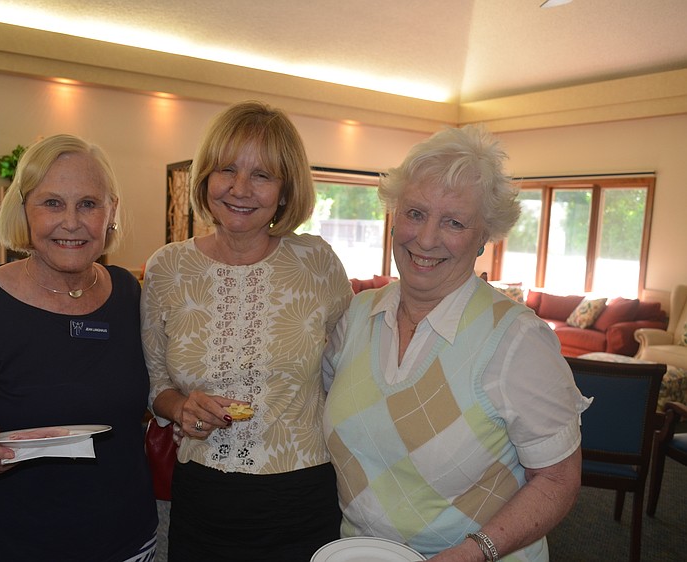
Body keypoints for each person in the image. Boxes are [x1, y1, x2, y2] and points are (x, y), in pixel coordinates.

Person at [323, 125, 590, 561]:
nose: (427, 239)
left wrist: (476, 551)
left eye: (454, 222)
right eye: (415, 213)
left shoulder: (518, 341)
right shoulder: (356, 316)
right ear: (394, 216)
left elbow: (558, 481)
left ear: (484, 236)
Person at [0, 134, 158, 561]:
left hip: (127, 537)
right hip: (16, 542)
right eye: (52, 203)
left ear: (111, 212)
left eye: (88, 204)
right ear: (24, 209)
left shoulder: (129, 293)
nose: (72, 222)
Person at [141, 100, 353, 561]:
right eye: (226, 169)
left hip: (303, 494)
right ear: (205, 178)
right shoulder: (167, 268)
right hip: (202, 495)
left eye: (262, 175)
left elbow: (349, 373)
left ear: (285, 190)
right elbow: (156, 386)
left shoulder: (316, 263)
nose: (240, 189)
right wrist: (181, 407)